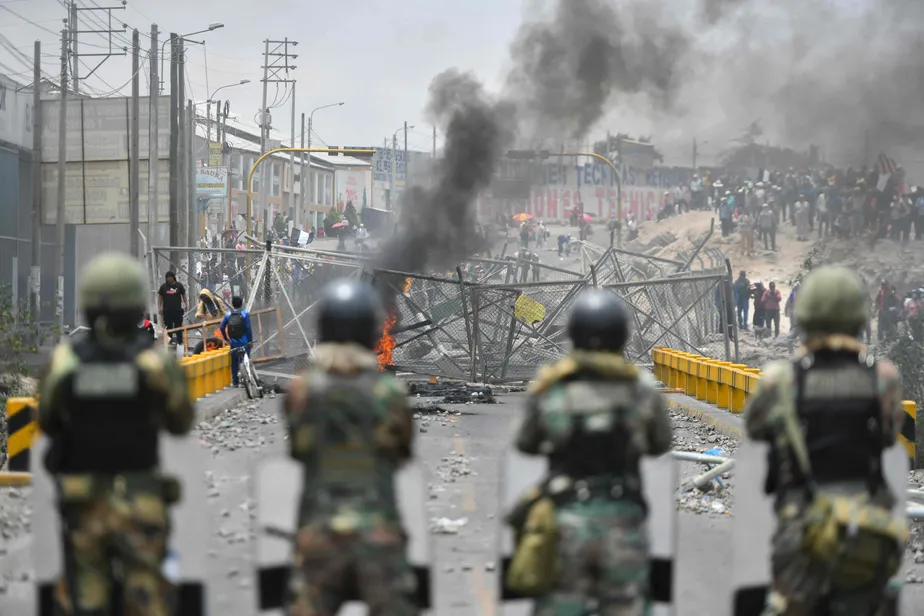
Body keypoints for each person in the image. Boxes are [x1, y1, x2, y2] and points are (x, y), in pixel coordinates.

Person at [742, 266, 908, 616]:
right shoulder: (884, 378)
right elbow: (890, 436)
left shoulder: (780, 380)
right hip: (866, 529)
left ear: (805, 314)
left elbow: (755, 429)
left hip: (801, 528)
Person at [37, 252, 194, 614]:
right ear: (136, 305)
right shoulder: (154, 365)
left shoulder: (65, 363)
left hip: (83, 503)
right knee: (148, 599)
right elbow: (181, 422)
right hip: (140, 502)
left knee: (85, 597)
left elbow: (47, 420)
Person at [507, 289, 672, 614]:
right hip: (624, 523)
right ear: (622, 336)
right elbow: (660, 444)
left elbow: (524, 443)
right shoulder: (641, 390)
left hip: (566, 524)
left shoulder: (553, 388)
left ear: (574, 334)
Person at [282, 279, 418, 615]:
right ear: (371, 332)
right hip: (379, 538)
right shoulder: (389, 394)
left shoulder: (302, 392)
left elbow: (299, 451)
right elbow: (402, 454)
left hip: (319, 538)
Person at [220, 296, 254, 387]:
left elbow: (222, 327)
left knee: (234, 362)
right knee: (245, 360)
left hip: (233, 342)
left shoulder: (228, 314)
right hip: (245, 342)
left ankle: (235, 382)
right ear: (241, 303)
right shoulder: (245, 313)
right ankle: (246, 380)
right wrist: (250, 341)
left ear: (232, 304)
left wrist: (226, 338)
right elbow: (248, 329)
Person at [157, 270, 187, 345]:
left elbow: (184, 295)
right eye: (167, 277)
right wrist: (159, 307)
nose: (169, 279)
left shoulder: (179, 285)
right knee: (168, 327)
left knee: (178, 327)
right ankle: (169, 343)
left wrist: (186, 304)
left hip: (177, 311)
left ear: (173, 277)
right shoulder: (163, 287)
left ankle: (180, 343)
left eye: (170, 277)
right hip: (167, 311)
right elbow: (160, 297)